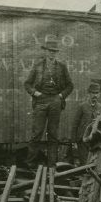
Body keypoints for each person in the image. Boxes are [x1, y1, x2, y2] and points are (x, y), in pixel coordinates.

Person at [24, 40, 74, 168]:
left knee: (53, 134)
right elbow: (27, 84)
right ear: (45, 51)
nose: (52, 53)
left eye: (54, 51)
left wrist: (60, 96)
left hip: (55, 102)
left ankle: (52, 165)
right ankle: (31, 164)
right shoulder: (38, 65)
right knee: (37, 133)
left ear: (56, 53)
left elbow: (70, 85)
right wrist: (36, 94)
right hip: (41, 101)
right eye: (50, 51)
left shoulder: (62, 66)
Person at [70, 82, 101, 165]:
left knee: (94, 163)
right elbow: (75, 124)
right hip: (82, 140)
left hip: (95, 141)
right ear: (89, 93)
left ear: (99, 94)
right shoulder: (82, 106)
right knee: (84, 163)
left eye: (97, 93)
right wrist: (73, 141)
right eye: (93, 93)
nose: (94, 95)